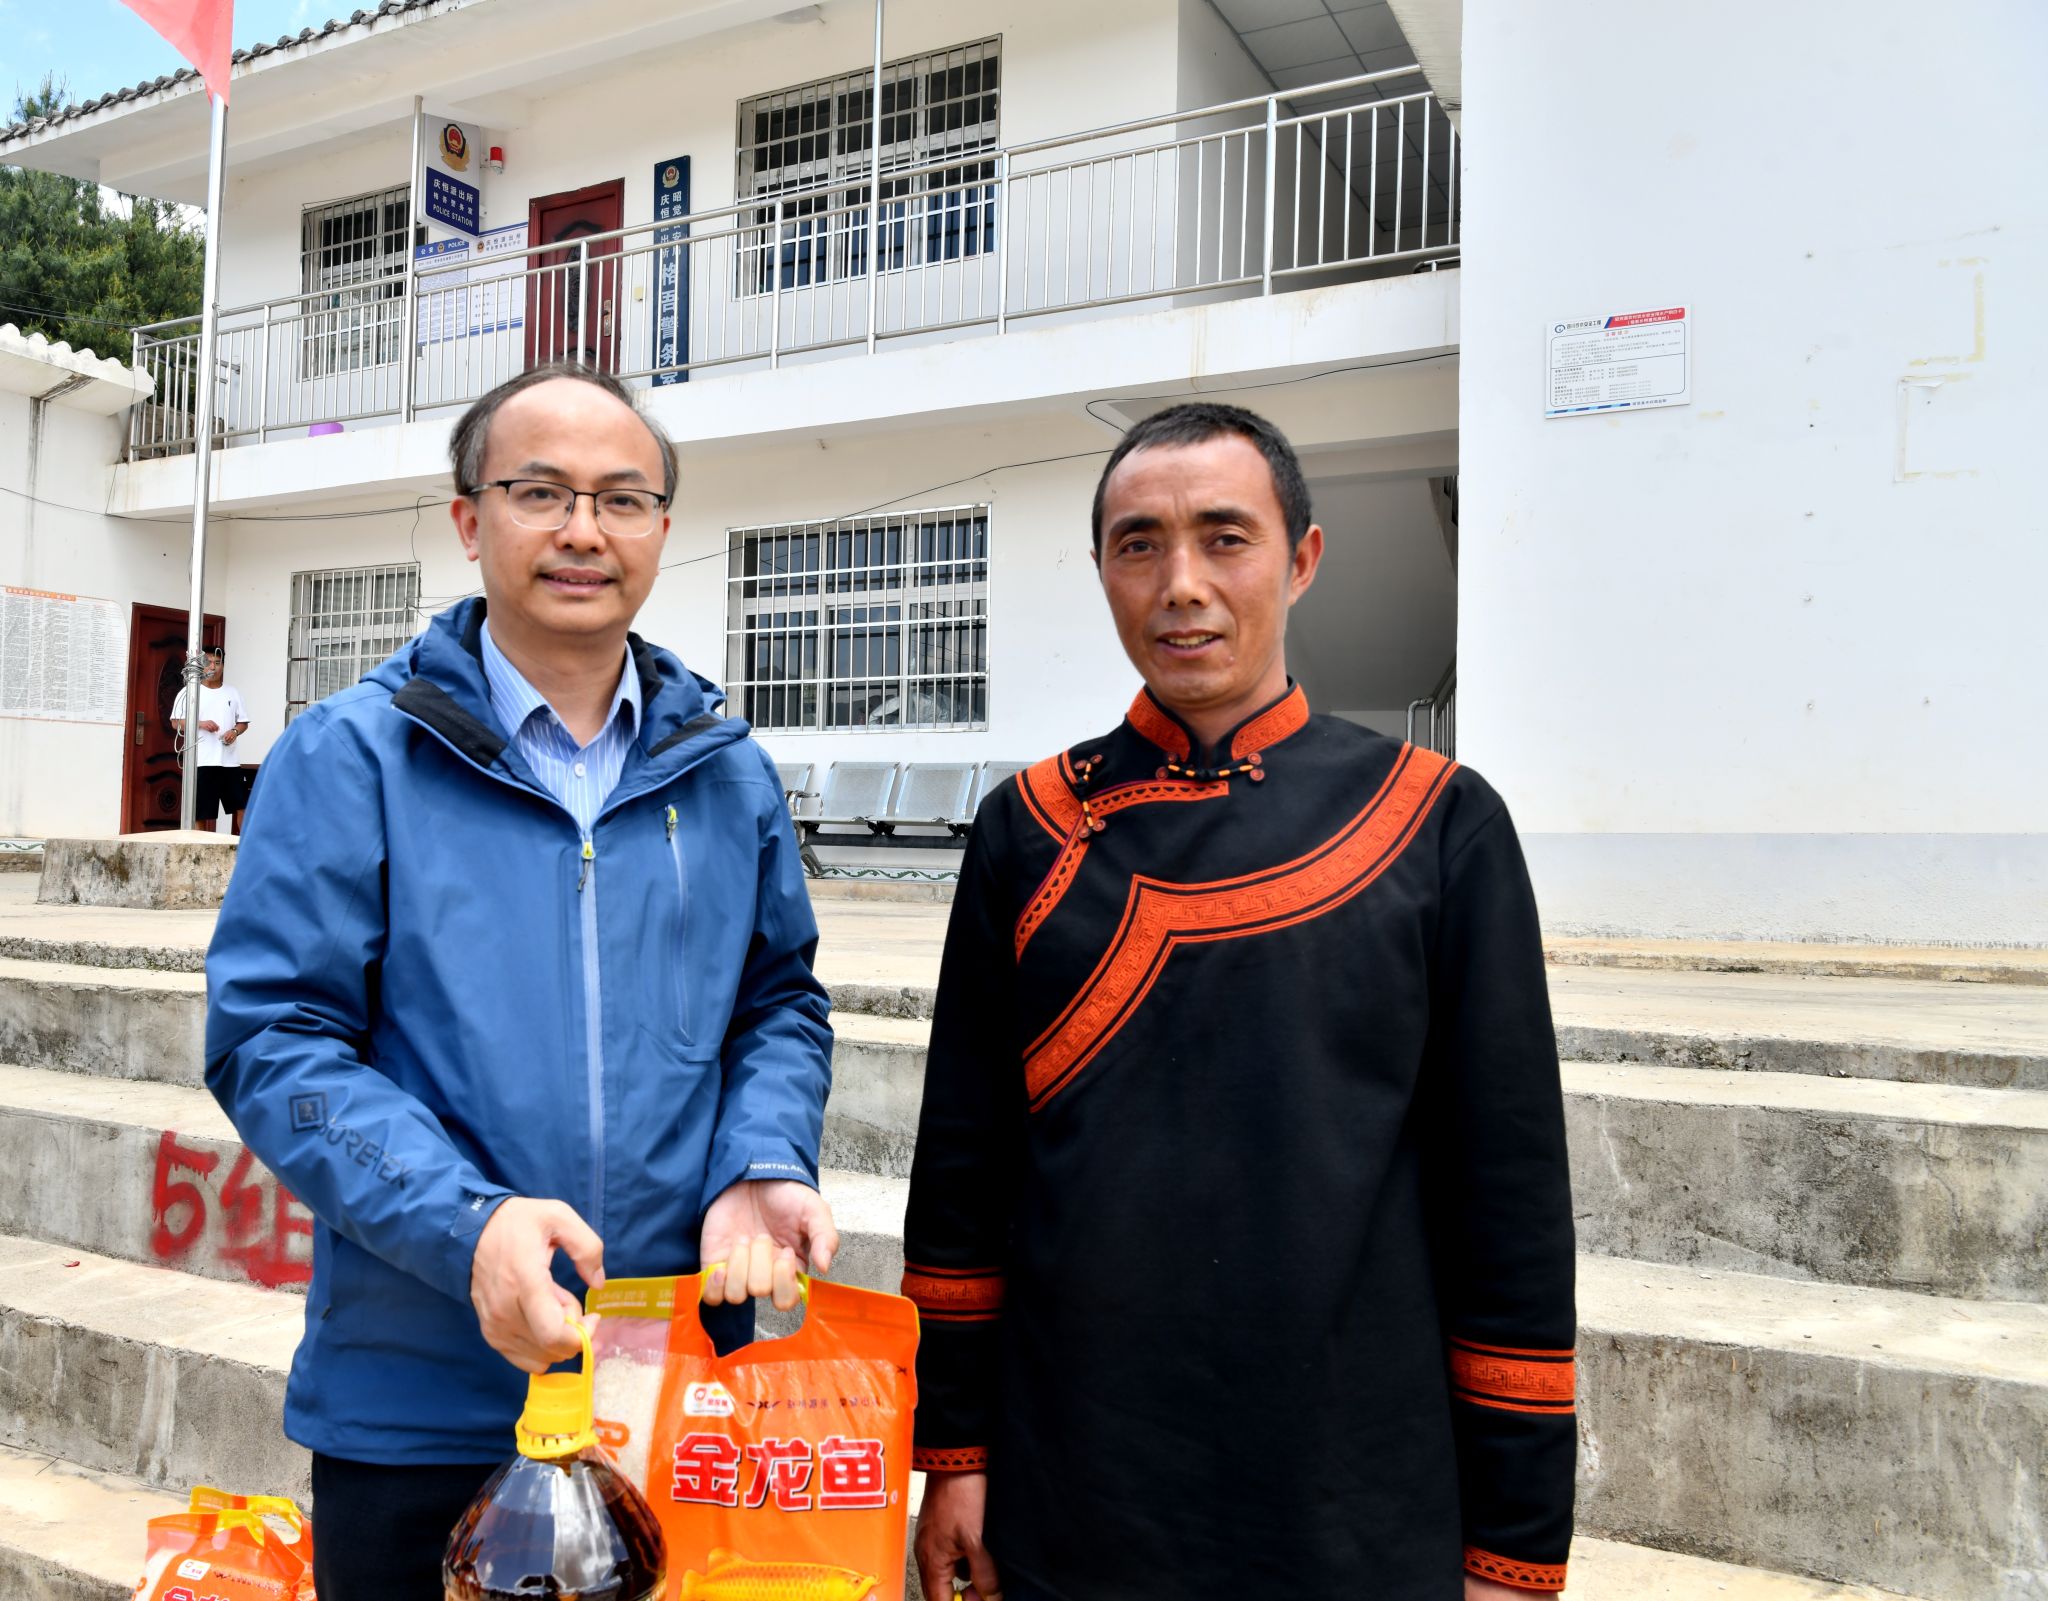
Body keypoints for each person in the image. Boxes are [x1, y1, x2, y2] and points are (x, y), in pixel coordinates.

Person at [904, 403, 1576, 1599]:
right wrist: (953, 1454)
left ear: (1300, 558)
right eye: (1138, 544)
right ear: (1101, 569)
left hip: (1354, 1491)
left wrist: (1513, 1545)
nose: (1181, 585)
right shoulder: (1029, 827)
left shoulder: (1435, 821)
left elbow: (1507, 1197)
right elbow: (964, 1169)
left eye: (1224, 537)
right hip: (1076, 1479)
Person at [205, 362, 839, 1599]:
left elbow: (776, 1001)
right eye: (540, 492)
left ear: (661, 525)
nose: (583, 531)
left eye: (621, 498)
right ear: (468, 518)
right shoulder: (351, 756)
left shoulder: (725, 773)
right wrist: (470, 1223)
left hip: (667, 1386)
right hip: (419, 1401)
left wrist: (760, 1158)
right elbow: (273, 1037)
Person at [169, 645, 250, 832]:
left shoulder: (233, 693)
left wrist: (234, 732)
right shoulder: (189, 692)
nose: (213, 667)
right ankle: (202, 847)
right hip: (202, 761)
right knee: (202, 813)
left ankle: (246, 845)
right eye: (208, 662)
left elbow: (243, 723)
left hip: (229, 761)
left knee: (243, 807)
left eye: (217, 663)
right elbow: (175, 722)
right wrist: (200, 723)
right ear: (201, 665)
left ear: (223, 666)